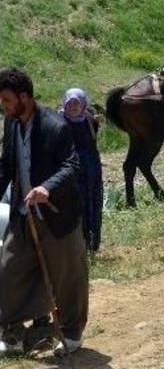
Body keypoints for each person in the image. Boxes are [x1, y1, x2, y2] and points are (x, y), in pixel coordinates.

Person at [0, 68, 88, 356]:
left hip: (56, 215)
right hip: (24, 214)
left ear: (24, 97)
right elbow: (6, 167)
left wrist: (47, 188)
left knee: (67, 278)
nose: (3, 106)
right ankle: (13, 334)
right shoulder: (11, 124)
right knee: (9, 271)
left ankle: (71, 333)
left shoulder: (55, 126)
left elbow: (71, 166)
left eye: (7, 100)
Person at [59, 88, 104, 253]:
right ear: (65, 103)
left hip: (92, 170)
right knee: (75, 207)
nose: (73, 106)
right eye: (70, 103)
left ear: (83, 104)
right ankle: (76, 247)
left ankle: (92, 244)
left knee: (94, 203)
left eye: (76, 103)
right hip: (71, 172)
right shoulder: (59, 122)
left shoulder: (89, 119)